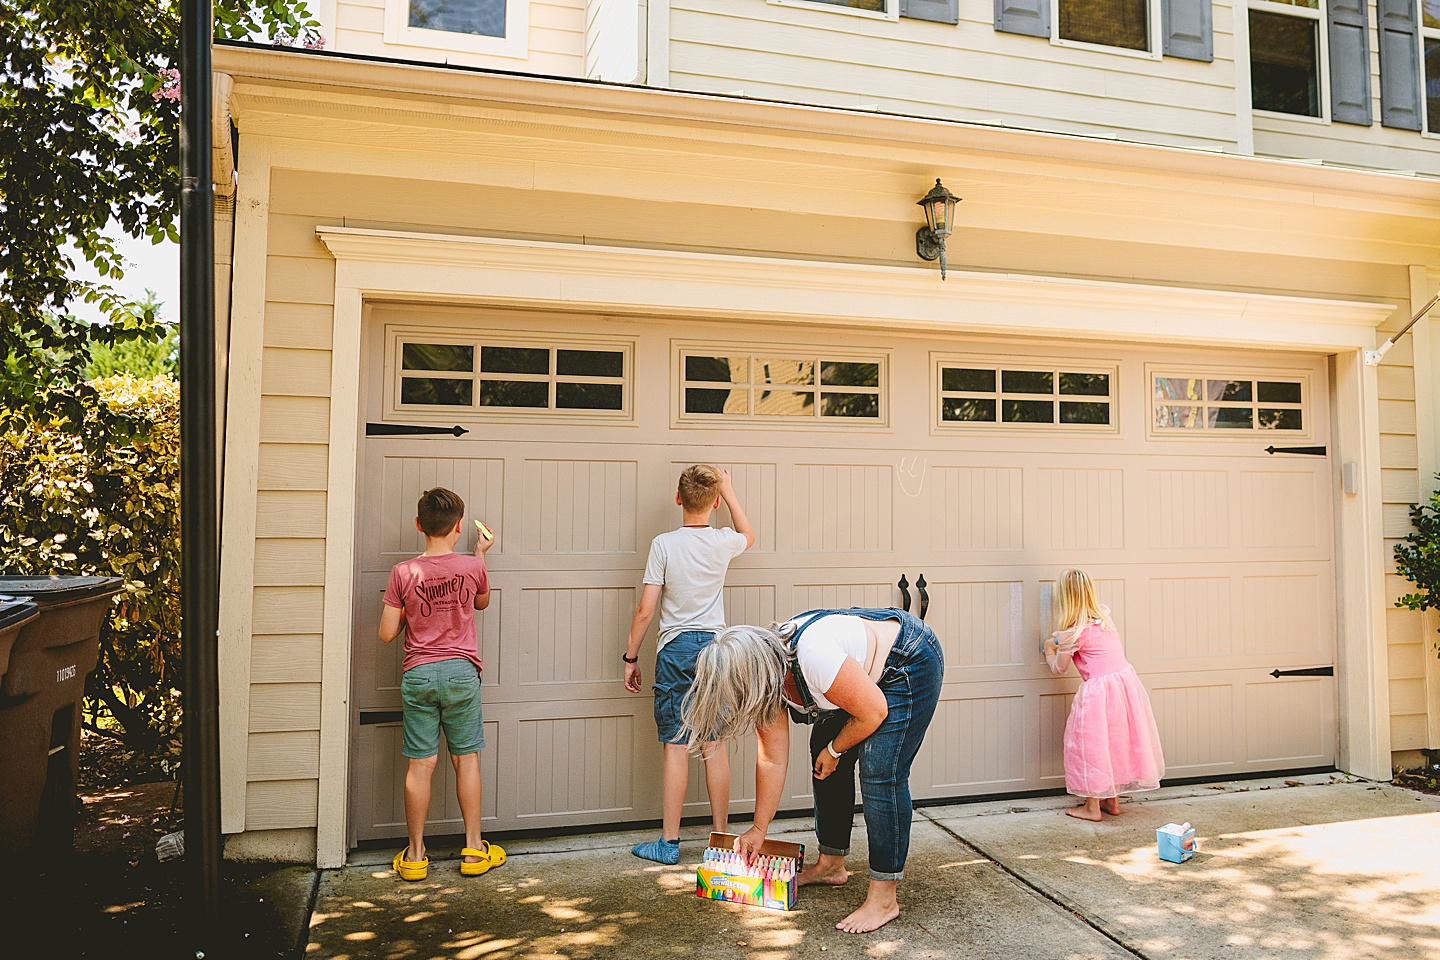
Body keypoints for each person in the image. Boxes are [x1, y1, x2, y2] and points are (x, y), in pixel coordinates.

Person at [682, 606, 943, 934]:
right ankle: (832, 865)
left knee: (880, 772)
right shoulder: (770, 679)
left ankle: (884, 899)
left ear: (752, 678)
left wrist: (835, 750)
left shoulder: (814, 658)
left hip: (908, 660)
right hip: (858, 679)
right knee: (823, 755)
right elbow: (772, 759)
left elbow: (874, 712)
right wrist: (758, 829)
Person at [624, 465, 755, 865]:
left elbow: (646, 610)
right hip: (717, 650)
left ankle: (668, 844)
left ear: (678, 499)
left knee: (676, 747)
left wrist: (631, 657)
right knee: (714, 745)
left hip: (677, 650)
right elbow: (749, 534)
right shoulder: (722, 541)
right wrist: (730, 491)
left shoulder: (663, 544)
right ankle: (721, 842)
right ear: (715, 502)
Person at [378, 486, 504, 881]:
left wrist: (408, 612)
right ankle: (473, 849)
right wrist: (481, 554)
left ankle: (415, 856)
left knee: (421, 763)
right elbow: (481, 603)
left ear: (419, 525)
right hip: (461, 673)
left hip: (419, 675)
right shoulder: (471, 567)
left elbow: (386, 633)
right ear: (459, 527)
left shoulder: (403, 573)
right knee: (465, 758)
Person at [1044, 568, 1165, 821]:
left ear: (1065, 598)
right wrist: (1061, 640)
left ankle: (1091, 807)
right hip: (1124, 688)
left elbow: (1059, 668)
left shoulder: (1072, 633)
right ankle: (1113, 800)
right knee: (1115, 742)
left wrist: (1048, 649)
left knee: (1091, 746)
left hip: (1099, 693)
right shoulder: (1103, 620)